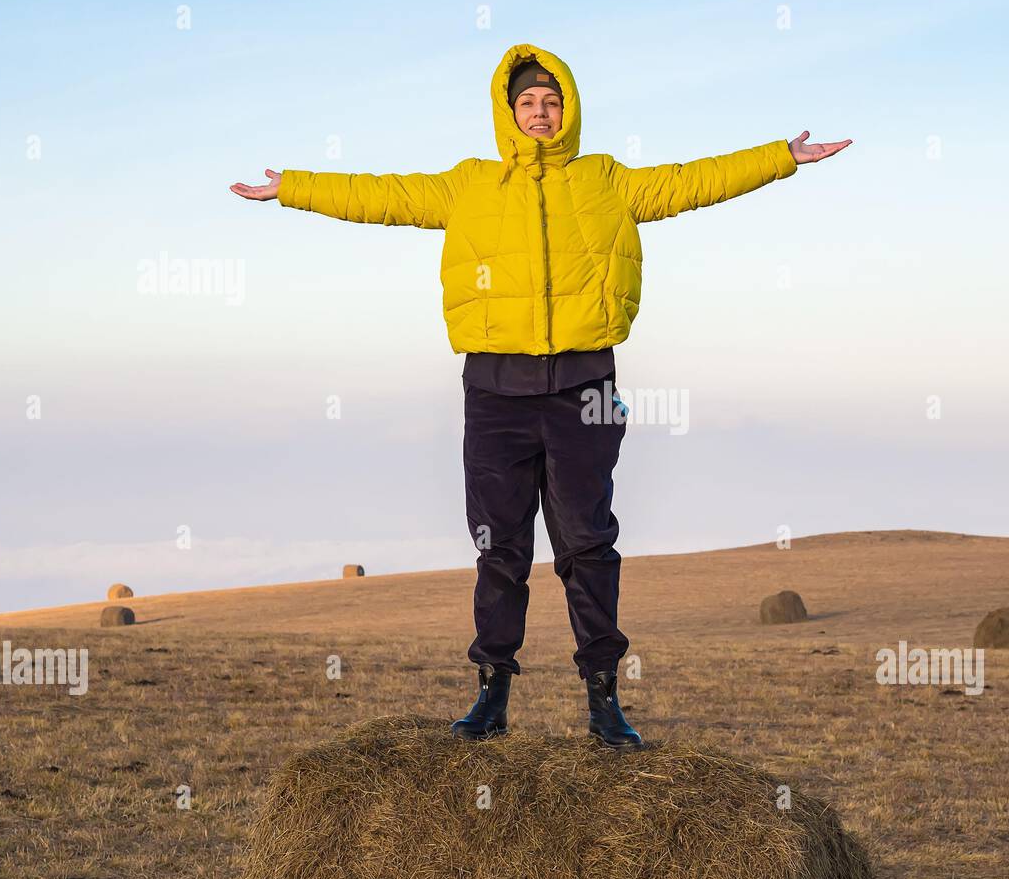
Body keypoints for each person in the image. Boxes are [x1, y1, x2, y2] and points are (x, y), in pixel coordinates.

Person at [230, 42, 850, 749]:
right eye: (527, 102)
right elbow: (383, 195)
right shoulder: (469, 185)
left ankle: (603, 699)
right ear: (508, 111)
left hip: (585, 386)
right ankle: (491, 693)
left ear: (569, 110)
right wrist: (293, 188)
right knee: (500, 548)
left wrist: (779, 158)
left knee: (588, 542)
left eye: (551, 102)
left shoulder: (606, 181)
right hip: (495, 391)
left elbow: (691, 181)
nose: (540, 112)